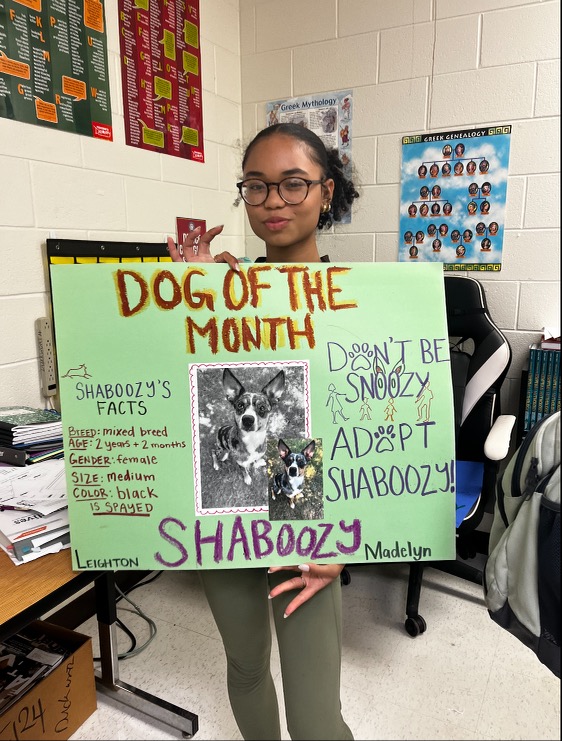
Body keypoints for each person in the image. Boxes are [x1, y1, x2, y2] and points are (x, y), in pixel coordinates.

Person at [167, 123, 358, 741]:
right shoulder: (219, 289)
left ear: (326, 192)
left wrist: (343, 535)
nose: (273, 200)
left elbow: (374, 431)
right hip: (225, 512)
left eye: (293, 184)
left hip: (304, 503)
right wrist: (184, 298)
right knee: (247, 668)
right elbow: (169, 394)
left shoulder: (361, 302)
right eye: (256, 186)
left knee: (315, 713)